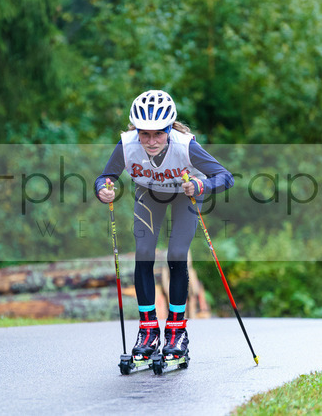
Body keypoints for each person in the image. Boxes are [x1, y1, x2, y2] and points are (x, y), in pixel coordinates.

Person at [94, 89, 234, 360]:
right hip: (149, 193)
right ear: (136, 130)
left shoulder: (185, 146)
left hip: (185, 194)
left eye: (158, 133)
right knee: (144, 253)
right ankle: (148, 330)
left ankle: (176, 330)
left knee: (177, 254)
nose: (151, 141)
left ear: (169, 129)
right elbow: (106, 177)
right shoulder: (127, 145)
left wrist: (201, 185)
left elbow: (225, 177)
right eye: (144, 134)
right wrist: (104, 190)